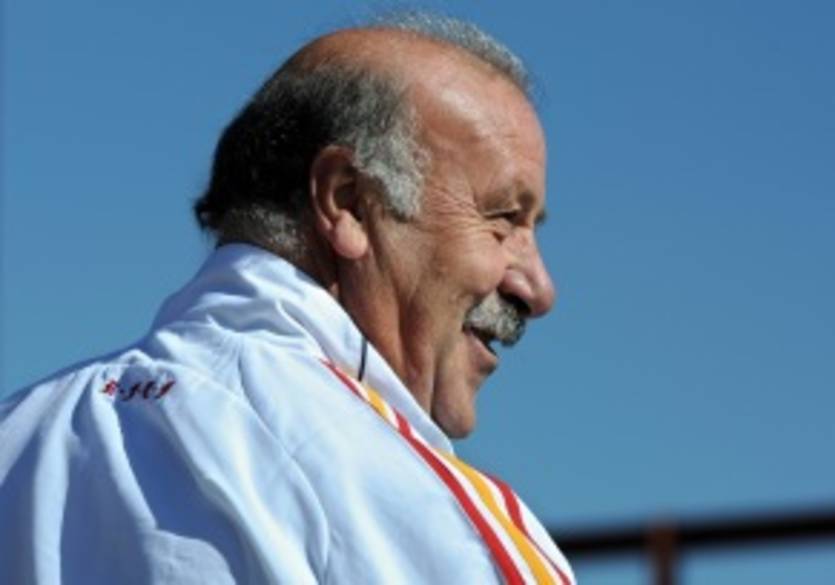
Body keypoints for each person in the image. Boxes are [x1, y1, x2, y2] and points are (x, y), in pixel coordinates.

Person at [0, 13, 573, 585]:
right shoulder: (426, 515)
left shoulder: (18, 433)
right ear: (347, 203)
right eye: (504, 218)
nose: (537, 288)